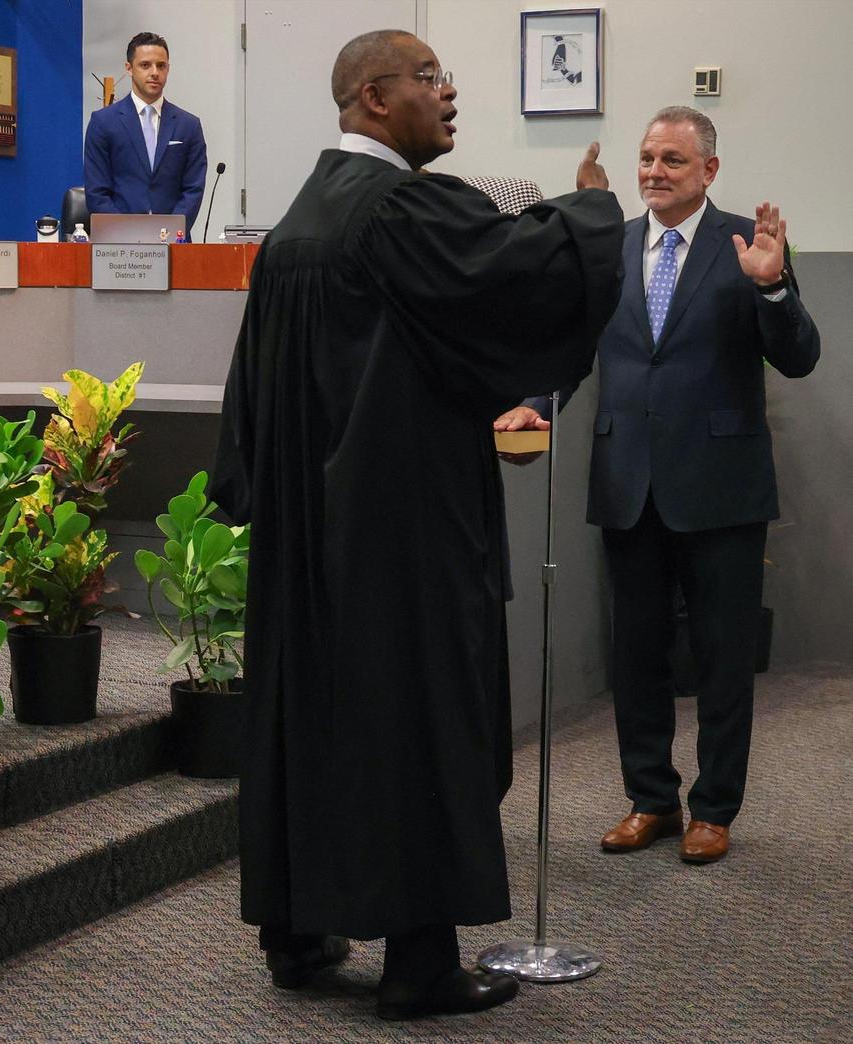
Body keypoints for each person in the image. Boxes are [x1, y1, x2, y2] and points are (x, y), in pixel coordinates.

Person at [210, 29, 624, 1022]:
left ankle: (301, 931)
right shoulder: (401, 206)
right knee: (415, 723)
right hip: (402, 533)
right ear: (367, 96)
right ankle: (420, 965)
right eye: (429, 78)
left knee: (311, 719)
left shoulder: (296, 224)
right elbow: (518, 276)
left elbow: (253, 398)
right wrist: (594, 211)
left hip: (308, 539)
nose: (450, 92)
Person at [494, 106, 821, 864]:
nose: (653, 173)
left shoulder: (748, 241)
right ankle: (650, 800)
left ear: (708, 170)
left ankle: (713, 808)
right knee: (635, 655)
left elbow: (799, 357)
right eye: (646, 158)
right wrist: (537, 403)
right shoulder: (611, 247)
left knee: (721, 654)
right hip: (628, 480)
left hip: (721, 485)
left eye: (672, 160)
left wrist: (772, 291)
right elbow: (577, 349)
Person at [83, 32, 207, 239]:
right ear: (129, 68)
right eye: (145, 65)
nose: (154, 72)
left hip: (174, 243)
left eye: (161, 65)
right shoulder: (103, 123)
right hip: (118, 246)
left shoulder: (189, 125)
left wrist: (168, 234)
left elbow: (193, 190)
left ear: (168, 69)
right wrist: (130, 235)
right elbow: (97, 192)